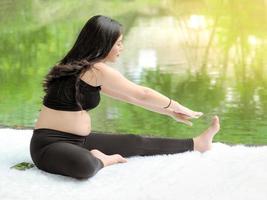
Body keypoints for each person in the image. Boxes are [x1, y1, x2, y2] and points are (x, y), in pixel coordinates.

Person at [30, 15, 220, 180]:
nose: (122, 47)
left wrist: (170, 112)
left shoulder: (83, 68)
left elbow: (133, 98)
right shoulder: (95, 70)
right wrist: (176, 104)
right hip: (49, 145)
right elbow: (143, 93)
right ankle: (101, 159)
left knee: (135, 141)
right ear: (103, 43)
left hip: (79, 141)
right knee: (86, 166)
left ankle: (198, 143)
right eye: (118, 43)